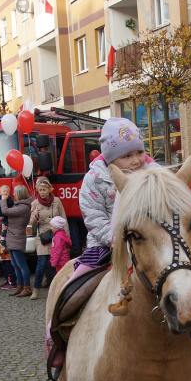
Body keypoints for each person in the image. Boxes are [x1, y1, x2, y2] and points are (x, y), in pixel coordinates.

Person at [76, 117, 150, 275]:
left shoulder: (150, 175)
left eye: (139, 153)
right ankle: (64, 296)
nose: (136, 160)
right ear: (111, 159)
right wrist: (114, 238)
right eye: (127, 156)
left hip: (145, 241)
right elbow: (93, 215)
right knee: (80, 282)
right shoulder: (95, 178)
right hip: (104, 245)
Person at [28, 177, 66, 300]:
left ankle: (58, 288)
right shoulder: (34, 204)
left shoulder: (57, 201)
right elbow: (31, 225)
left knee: (57, 263)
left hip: (57, 236)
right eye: (40, 190)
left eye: (44, 189)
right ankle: (36, 290)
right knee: (41, 263)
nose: (42, 192)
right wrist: (34, 218)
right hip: (43, 237)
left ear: (49, 189)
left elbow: (64, 219)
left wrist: (67, 237)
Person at [2, 185, 33, 297]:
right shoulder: (19, 206)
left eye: (15, 193)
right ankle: (20, 286)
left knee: (21, 264)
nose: (13, 194)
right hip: (12, 237)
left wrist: (3, 199)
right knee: (15, 264)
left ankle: (27, 287)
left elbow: (5, 211)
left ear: (20, 194)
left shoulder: (23, 207)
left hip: (17, 237)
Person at [0, 185, 16, 290]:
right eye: (3, 191)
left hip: (7, 234)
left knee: (8, 258)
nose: (5, 193)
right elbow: (0, 213)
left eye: (7, 191)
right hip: (2, 233)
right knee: (2, 255)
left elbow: (7, 213)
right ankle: (7, 278)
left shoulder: (10, 201)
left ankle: (12, 280)